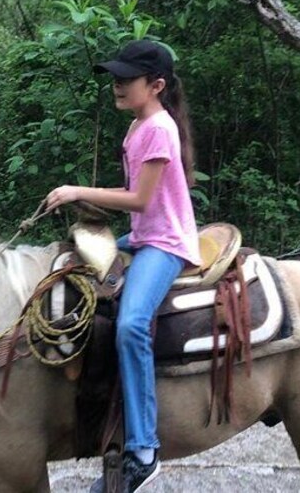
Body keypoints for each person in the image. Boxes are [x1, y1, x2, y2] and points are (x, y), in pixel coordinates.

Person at [44, 40, 200, 493]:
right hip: (146, 234)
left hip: (166, 242)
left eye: (126, 78)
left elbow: (140, 200)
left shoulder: (157, 129)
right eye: (115, 75)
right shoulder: (136, 126)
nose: (117, 83)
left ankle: (145, 450)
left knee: (132, 324)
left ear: (155, 86)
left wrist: (79, 192)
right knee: (73, 265)